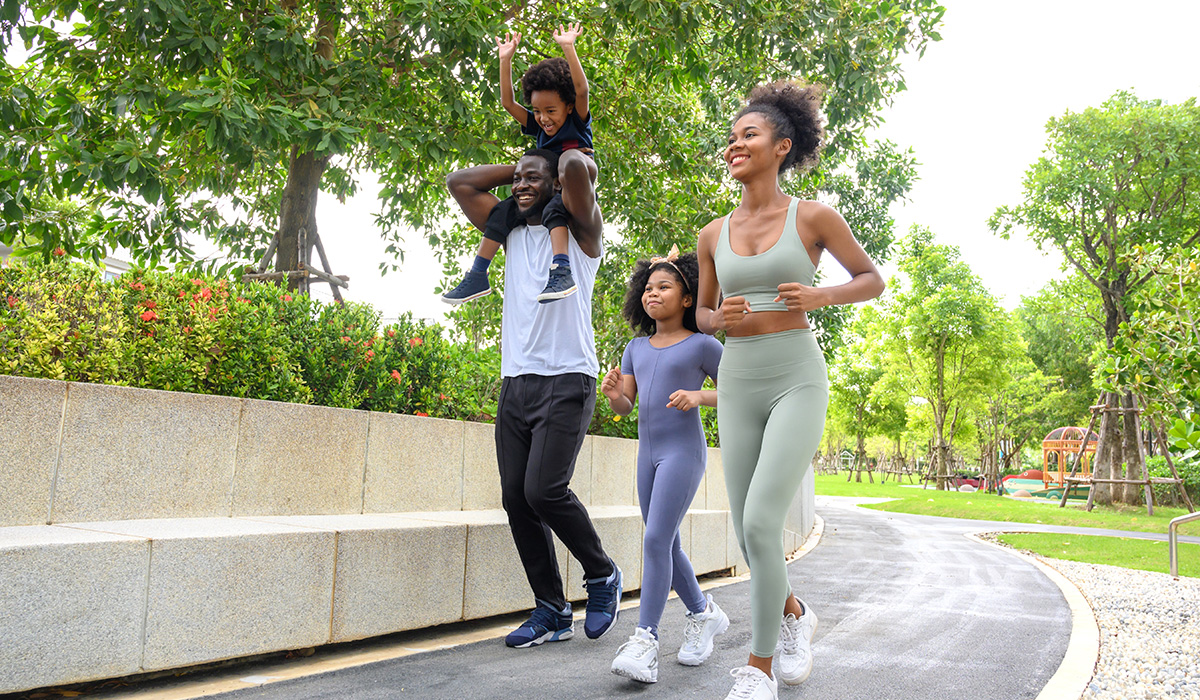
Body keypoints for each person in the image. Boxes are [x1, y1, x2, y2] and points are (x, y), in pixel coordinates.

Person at [695, 81, 886, 700]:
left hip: (796, 372)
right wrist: (716, 319)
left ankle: (757, 669)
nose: (735, 145)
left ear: (782, 146)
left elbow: (871, 279)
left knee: (760, 519)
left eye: (747, 135)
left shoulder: (813, 216)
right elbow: (700, 314)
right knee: (751, 533)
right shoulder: (711, 234)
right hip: (739, 374)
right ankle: (796, 615)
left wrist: (821, 294)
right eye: (731, 138)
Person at [446, 147, 622, 648]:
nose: (520, 185)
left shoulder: (581, 233)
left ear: (558, 186)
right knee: (515, 498)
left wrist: (551, 160)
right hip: (516, 381)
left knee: (544, 490)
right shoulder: (510, 231)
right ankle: (551, 608)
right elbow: (460, 180)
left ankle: (601, 572)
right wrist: (525, 170)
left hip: (567, 377)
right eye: (515, 179)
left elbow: (572, 170)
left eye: (532, 179)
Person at [601, 246, 730, 684]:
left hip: (683, 452)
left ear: (688, 297)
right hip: (647, 455)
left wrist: (699, 396)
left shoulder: (703, 344)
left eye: (665, 286)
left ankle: (645, 640)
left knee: (656, 537)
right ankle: (703, 612)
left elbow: (740, 389)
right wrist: (614, 391)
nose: (653, 294)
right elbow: (625, 406)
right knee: (666, 544)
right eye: (648, 287)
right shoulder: (635, 347)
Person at [441, 23, 600, 306]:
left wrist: (569, 48)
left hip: (572, 180)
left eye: (551, 111)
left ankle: (561, 268)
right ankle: (478, 273)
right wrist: (505, 60)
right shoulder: (538, 127)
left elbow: (581, 89)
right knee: (504, 210)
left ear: (568, 107)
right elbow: (507, 102)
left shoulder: (577, 118)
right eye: (538, 111)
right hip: (546, 182)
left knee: (561, 183)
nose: (543, 118)